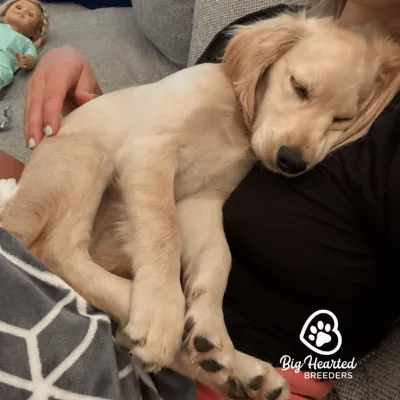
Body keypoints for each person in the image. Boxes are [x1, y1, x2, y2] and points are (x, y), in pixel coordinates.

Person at [7, 0, 400, 399]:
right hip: (107, 265)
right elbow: (149, 153)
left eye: (340, 121)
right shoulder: (272, 35)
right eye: (299, 89)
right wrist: (74, 68)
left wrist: (196, 299)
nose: (303, 147)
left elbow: (198, 199)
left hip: (183, 359)